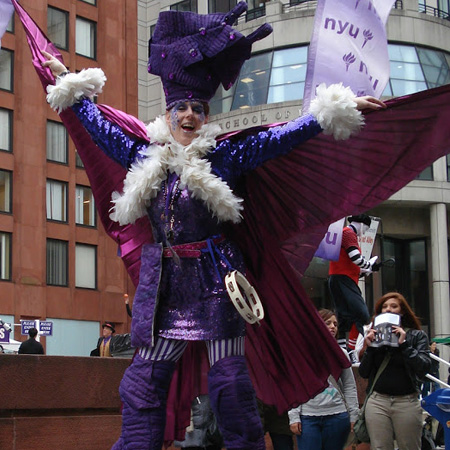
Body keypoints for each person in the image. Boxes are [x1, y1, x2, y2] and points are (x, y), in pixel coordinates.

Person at [39, 4, 386, 448]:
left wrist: (329, 113)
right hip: (164, 285)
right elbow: (96, 123)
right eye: (181, 107)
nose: (189, 115)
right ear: (167, 115)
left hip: (216, 281)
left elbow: (275, 138)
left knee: (230, 385)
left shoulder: (222, 158)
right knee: (144, 383)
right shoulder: (145, 157)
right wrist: (63, 79)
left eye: (198, 109)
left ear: (205, 116)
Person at [359, 292, 431, 450]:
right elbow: (363, 373)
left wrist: (404, 345)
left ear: (402, 311)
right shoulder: (374, 336)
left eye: (393, 306)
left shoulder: (416, 336)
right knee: (380, 446)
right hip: (378, 401)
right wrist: (370, 348)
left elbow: (424, 367)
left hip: (406, 401)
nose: (388, 309)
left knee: (409, 446)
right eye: (384, 307)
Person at [288, 309, 359, 450]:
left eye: (335, 324)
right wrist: (294, 416)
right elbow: (294, 386)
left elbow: (349, 386)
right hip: (307, 417)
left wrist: (353, 415)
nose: (333, 326)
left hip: (337, 416)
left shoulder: (341, 354)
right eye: (327, 323)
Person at [328, 214, 379, 363]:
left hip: (339, 278)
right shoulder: (349, 233)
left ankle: (345, 350)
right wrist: (370, 265)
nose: (365, 232)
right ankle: (351, 349)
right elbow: (355, 258)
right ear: (362, 224)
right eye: (366, 228)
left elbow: (352, 262)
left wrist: (367, 269)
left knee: (344, 317)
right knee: (361, 314)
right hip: (344, 279)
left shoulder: (344, 233)